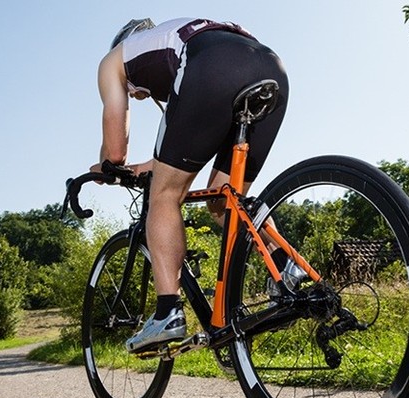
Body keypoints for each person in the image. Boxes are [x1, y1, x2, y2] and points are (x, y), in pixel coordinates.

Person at [91, 18, 289, 353]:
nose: (138, 96)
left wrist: (105, 168)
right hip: (270, 67)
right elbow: (180, 150)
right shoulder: (174, 37)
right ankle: (287, 266)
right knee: (226, 202)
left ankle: (168, 311)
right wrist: (148, 167)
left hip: (211, 69)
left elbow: (115, 151)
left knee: (165, 197)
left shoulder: (114, 60)